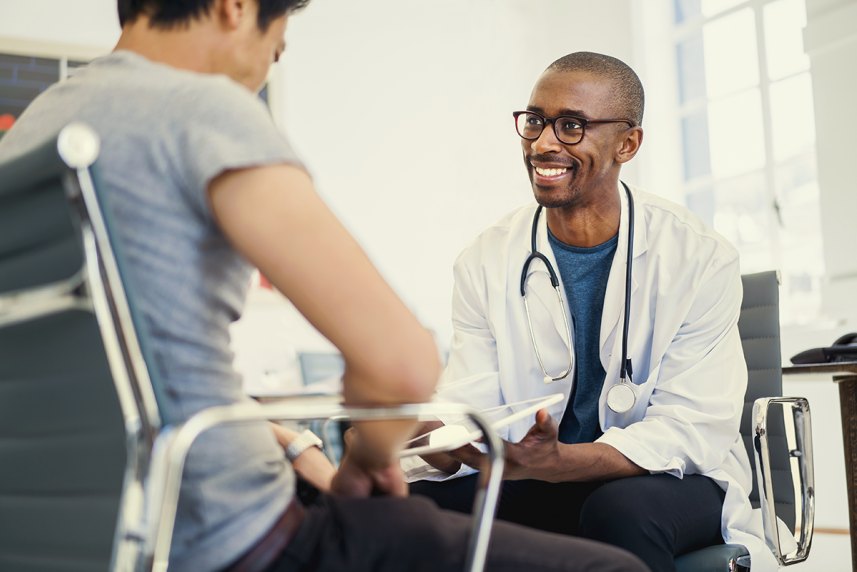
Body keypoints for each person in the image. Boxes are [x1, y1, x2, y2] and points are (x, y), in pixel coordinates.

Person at [0, 5, 651, 572]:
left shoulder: (39, 128)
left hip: (99, 535)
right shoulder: (198, 109)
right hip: (235, 536)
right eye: (273, 48)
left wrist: (293, 441)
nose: (261, 73)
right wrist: (364, 462)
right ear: (234, 7)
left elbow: (140, 373)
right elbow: (398, 364)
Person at [406, 52, 777, 572]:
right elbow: (471, 403)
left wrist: (564, 462)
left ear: (628, 143)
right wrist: (416, 432)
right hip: (538, 475)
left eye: (571, 126)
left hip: (669, 481)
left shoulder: (697, 257)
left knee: (618, 511)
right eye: (534, 121)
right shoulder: (485, 260)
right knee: (401, 513)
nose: (542, 143)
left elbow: (692, 427)